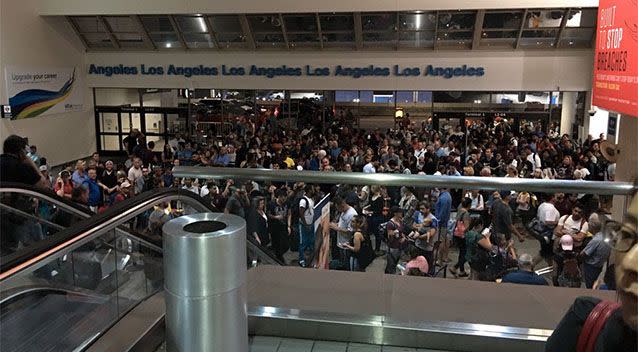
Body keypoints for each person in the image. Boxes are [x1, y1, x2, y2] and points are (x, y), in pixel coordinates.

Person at [545, 193, 637, 352]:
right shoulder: (583, 315)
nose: (629, 263)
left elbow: (581, 248)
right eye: (627, 234)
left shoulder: (582, 314)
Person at [580, 212, 611, 289]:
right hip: (599, 265)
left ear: (592, 225)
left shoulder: (596, 240)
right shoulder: (605, 236)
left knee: (589, 286)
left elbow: (583, 254)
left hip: (590, 267)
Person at [450, 197, 472, 278]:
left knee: (462, 252)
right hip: (463, 236)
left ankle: (462, 271)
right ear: (469, 205)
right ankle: (455, 267)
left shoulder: (459, 210)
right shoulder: (466, 214)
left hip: (457, 234)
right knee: (466, 254)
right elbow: (466, 227)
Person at [267, 189, 291, 263]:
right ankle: (280, 260)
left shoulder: (287, 203)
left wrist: (289, 225)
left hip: (284, 226)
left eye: (285, 197)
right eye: (282, 197)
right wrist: (275, 217)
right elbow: (268, 214)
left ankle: (279, 256)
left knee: (286, 245)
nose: (284, 199)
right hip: (275, 227)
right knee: (277, 245)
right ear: (279, 197)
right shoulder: (271, 204)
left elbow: (289, 214)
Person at [297, 184, 316, 268]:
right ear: (309, 190)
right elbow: (301, 213)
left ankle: (310, 259)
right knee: (303, 243)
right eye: (312, 189)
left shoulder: (311, 200)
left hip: (311, 224)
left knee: (311, 242)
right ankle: (302, 260)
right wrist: (305, 224)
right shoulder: (303, 201)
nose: (314, 190)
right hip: (304, 225)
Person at [385, 206, 407, 274]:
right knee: (391, 264)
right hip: (392, 246)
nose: (401, 213)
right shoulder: (390, 223)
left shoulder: (400, 221)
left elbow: (402, 232)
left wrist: (403, 237)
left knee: (396, 263)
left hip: (400, 246)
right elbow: (390, 234)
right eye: (400, 212)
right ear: (395, 213)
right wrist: (397, 231)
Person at [434, 188, 452, 263]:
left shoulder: (444, 198)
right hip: (444, 222)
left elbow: (442, 212)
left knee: (440, 241)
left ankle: (439, 259)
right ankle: (442, 258)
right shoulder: (447, 195)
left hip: (441, 223)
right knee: (444, 239)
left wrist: (438, 221)